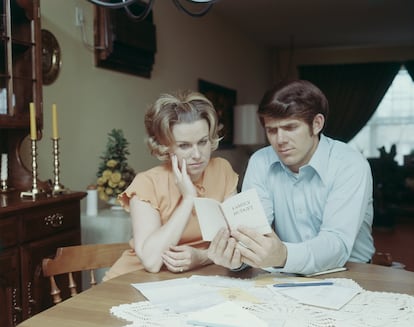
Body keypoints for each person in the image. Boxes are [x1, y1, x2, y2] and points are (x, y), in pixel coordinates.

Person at [208, 80, 375, 275]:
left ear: (317, 124)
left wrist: (284, 256)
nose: (280, 140)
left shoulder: (350, 164)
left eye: (290, 128)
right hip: (285, 272)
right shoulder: (260, 161)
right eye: (272, 130)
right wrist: (236, 259)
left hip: (352, 272)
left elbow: (336, 244)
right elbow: (252, 232)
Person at [104, 90, 238, 280]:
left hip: (192, 279)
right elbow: (151, 262)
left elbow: (236, 242)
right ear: (166, 147)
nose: (197, 155)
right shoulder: (146, 183)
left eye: (203, 142)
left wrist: (201, 257)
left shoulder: (222, 170)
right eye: (184, 145)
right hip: (133, 280)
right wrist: (188, 199)